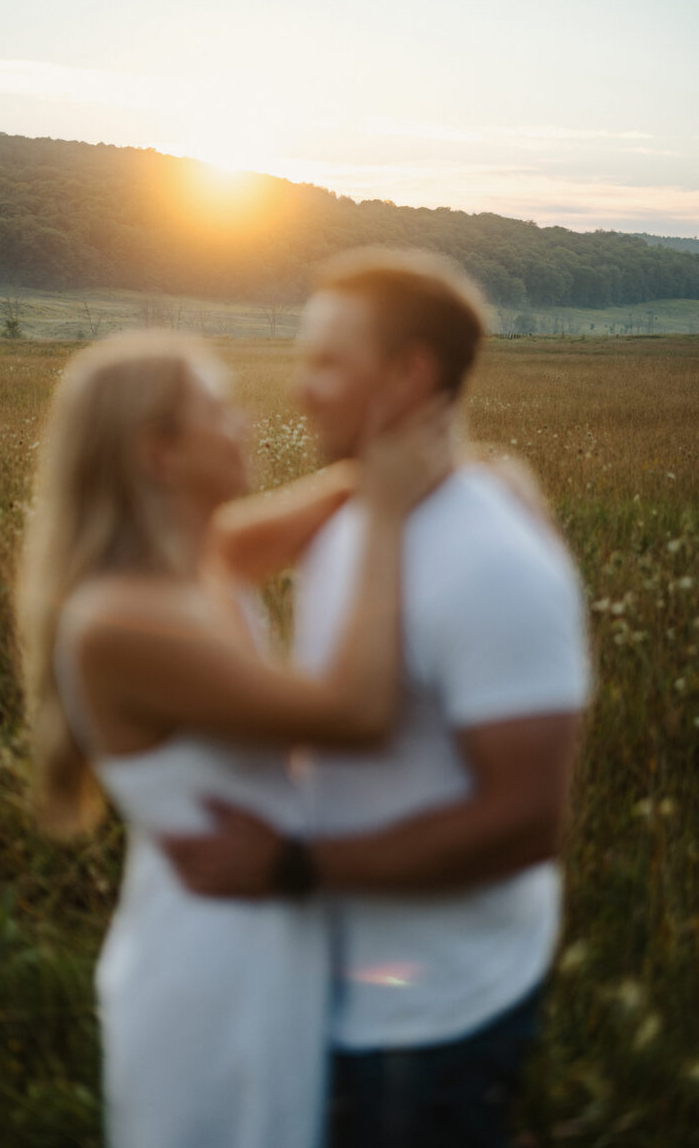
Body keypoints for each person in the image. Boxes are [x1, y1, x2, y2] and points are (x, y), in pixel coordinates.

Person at [164, 251, 592, 1148]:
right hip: (334, 981)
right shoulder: (361, 511)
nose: (299, 391)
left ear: (408, 375)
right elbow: (195, 554)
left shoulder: (497, 564)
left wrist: (293, 867)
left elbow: (525, 820)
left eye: (327, 363)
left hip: (432, 1017)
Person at [15, 329, 454, 1148]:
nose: (246, 424)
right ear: (160, 455)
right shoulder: (123, 619)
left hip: (261, 933)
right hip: (207, 966)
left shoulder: (195, 562)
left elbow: (329, 497)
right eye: (219, 409)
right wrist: (390, 517)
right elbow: (356, 714)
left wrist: (408, 458)